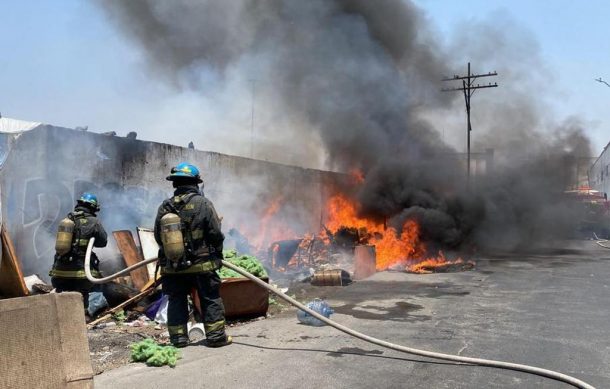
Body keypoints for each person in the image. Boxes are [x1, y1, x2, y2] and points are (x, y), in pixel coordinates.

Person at [154, 162, 231, 348]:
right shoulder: (203, 203)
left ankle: (179, 339)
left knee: (176, 300)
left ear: (175, 184)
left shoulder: (165, 207)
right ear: (196, 183)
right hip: (202, 264)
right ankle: (216, 337)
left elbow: (158, 236)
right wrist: (218, 254)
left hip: (173, 267)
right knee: (209, 298)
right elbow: (215, 233)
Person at [50, 192, 108, 314]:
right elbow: (103, 242)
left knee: (62, 301)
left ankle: (60, 322)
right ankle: (79, 323)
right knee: (82, 299)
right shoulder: (94, 221)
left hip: (59, 271)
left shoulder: (67, 219)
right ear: (93, 207)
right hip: (81, 273)